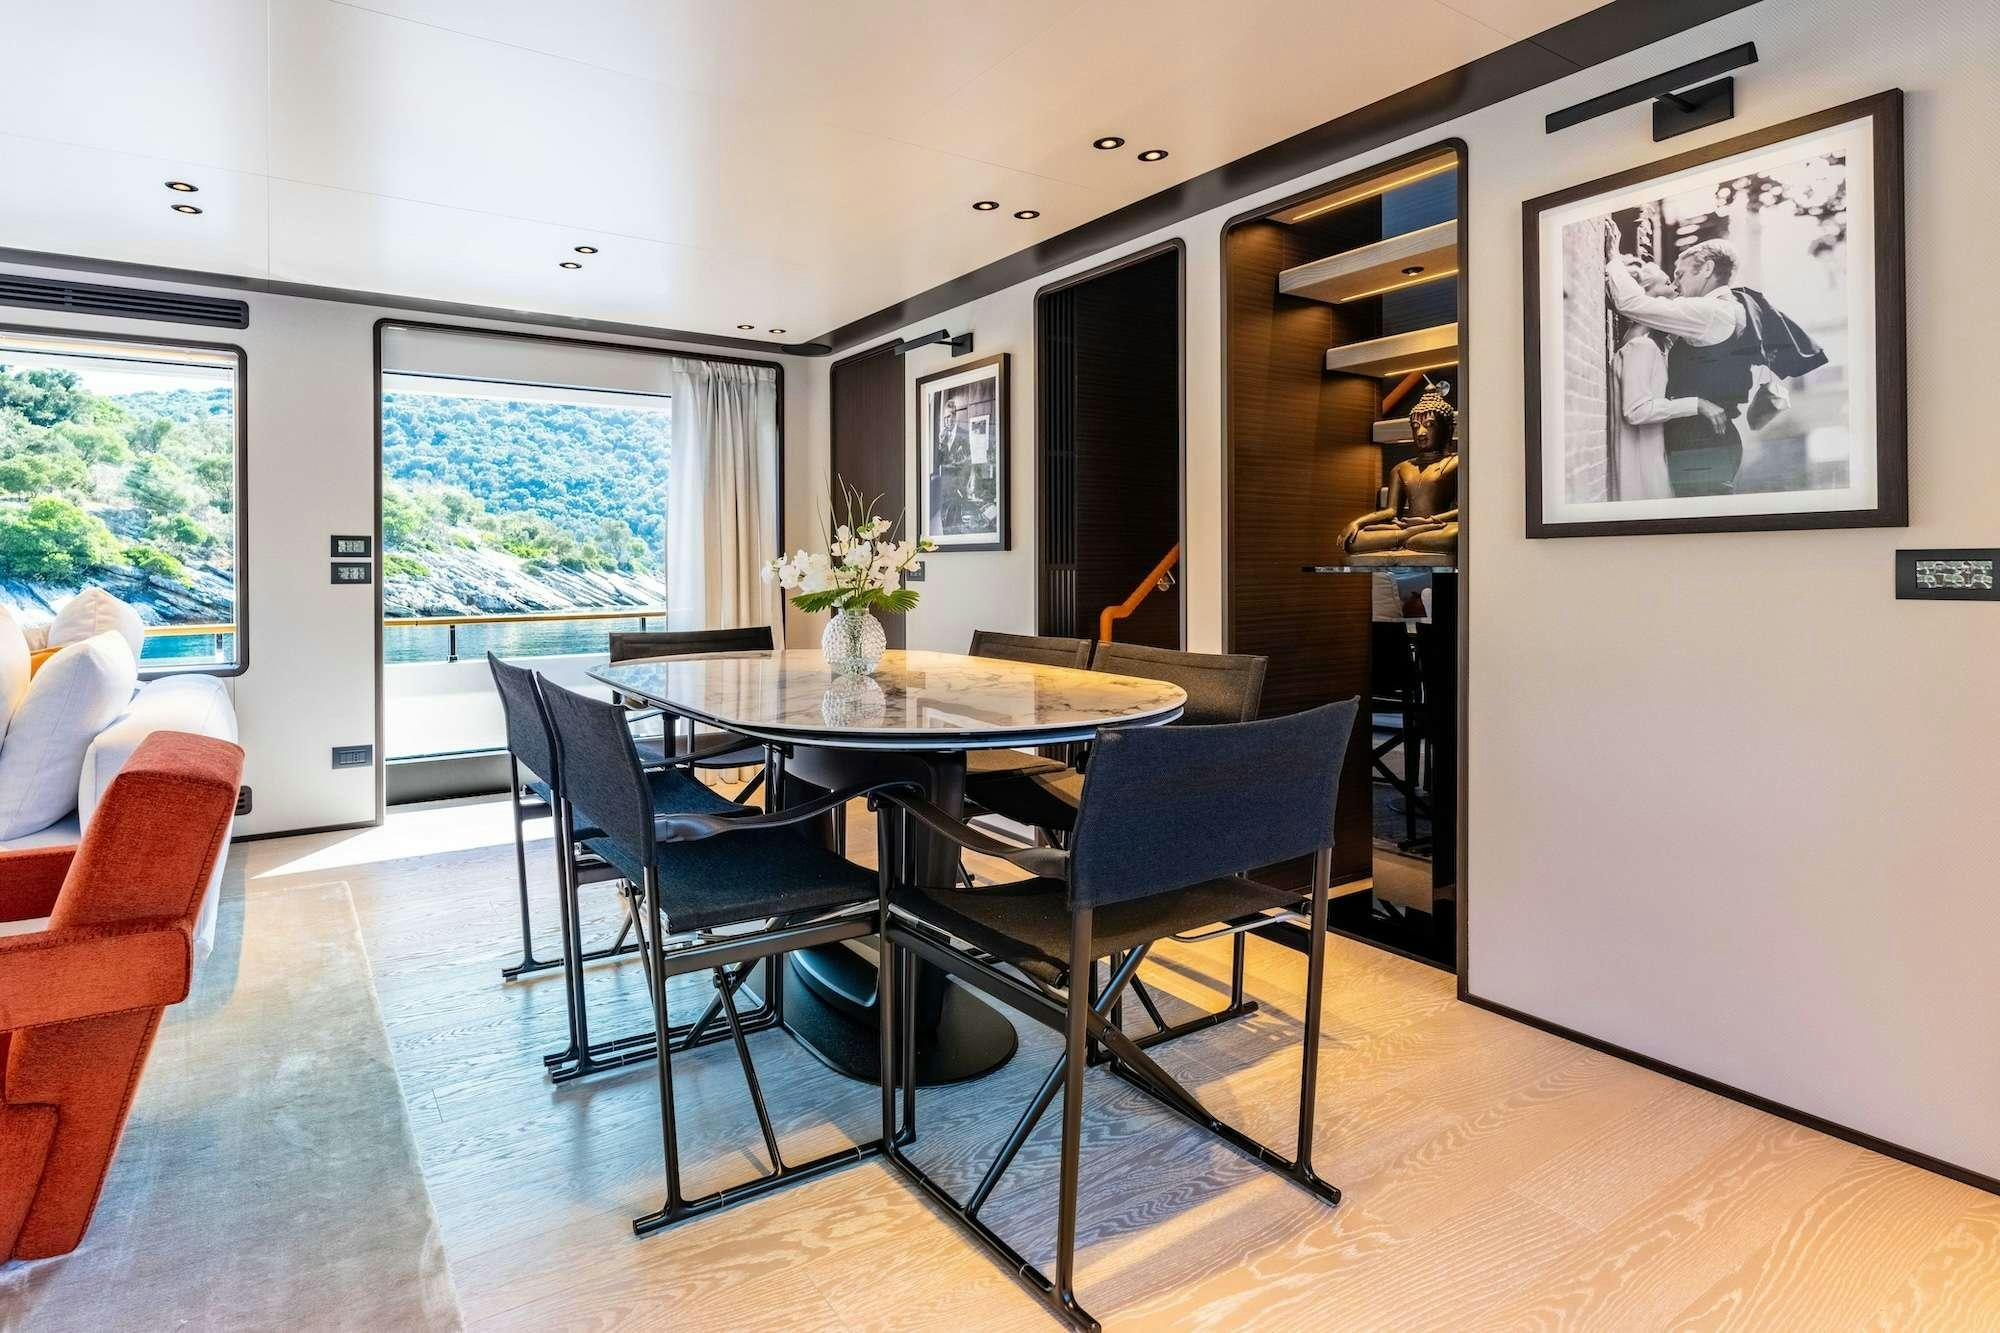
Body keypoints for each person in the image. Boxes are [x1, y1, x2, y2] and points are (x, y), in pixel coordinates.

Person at [1603, 235, 1760, 497]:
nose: (1676, 285)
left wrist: (1613, 259)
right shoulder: (1723, 310)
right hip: (1702, 441)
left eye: (1680, 274)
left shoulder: (1708, 311)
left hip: (1703, 441)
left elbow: (1633, 304)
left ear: (1707, 269)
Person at [1607, 259, 1711, 501]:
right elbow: (1636, 411)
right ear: (1645, 296)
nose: (1675, 287)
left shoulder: (1656, 347)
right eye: (1667, 282)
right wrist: (1696, 405)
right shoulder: (1642, 348)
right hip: (1642, 474)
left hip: (1650, 464)